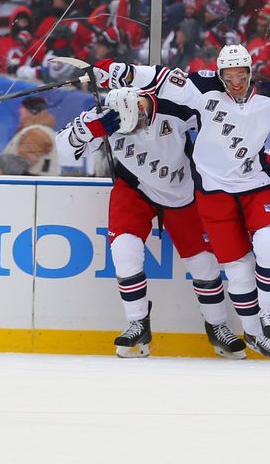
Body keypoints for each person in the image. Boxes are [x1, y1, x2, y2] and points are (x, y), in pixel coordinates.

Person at [93, 44, 270, 362]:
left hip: (257, 183)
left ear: (251, 72)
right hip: (213, 190)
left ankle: (267, 313)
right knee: (237, 268)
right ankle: (253, 334)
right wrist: (123, 71)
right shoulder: (202, 87)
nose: (236, 82)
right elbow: (162, 77)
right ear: (220, 74)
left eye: (242, 75)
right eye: (229, 76)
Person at [56, 87, 246, 360]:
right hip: (134, 188)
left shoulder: (173, 108)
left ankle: (217, 325)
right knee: (124, 249)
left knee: (204, 263)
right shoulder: (104, 119)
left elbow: (216, 117)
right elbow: (63, 150)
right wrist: (86, 130)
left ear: (143, 107)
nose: (138, 129)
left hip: (182, 191)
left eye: (142, 121)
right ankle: (137, 323)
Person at [2, 96, 59, 176]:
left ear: (33, 111)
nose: (19, 111)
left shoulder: (36, 133)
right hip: (29, 185)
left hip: (27, 186)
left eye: (22, 108)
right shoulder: (34, 130)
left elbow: (22, 163)